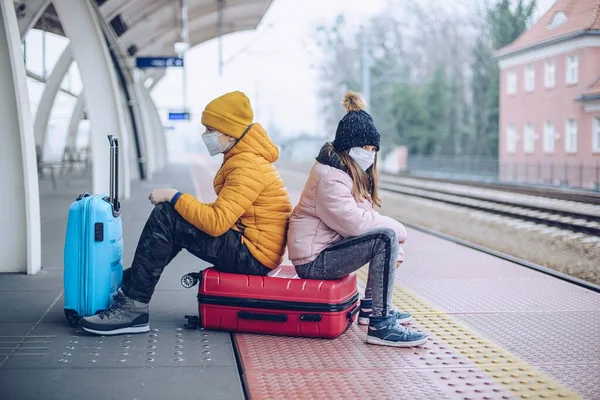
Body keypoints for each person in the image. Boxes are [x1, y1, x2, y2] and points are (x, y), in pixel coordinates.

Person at [80, 91, 293, 336]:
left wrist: (174, 196)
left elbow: (216, 223)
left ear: (230, 133)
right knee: (178, 219)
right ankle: (132, 286)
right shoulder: (245, 158)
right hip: (253, 247)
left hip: (253, 256)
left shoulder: (247, 165)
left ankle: (133, 306)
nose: (205, 135)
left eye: (210, 129)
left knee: (167, 215)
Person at [286, 91, 428, 347]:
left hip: (326, 251)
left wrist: (393, 240)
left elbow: (366, 217)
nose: (370, 154)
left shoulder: (347, 172)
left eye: (374, 149)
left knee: (386, 238)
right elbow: (356, 224)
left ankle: (372, 308)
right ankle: (381, 325)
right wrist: (396, 232)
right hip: (313, 261)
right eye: (365, 148)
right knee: (385, 237)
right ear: (348, 146)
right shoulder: (329, 177)